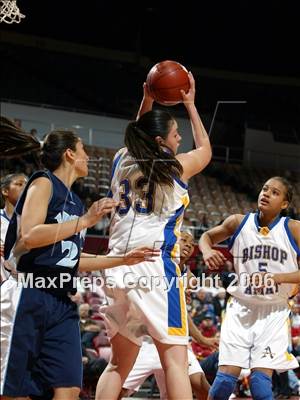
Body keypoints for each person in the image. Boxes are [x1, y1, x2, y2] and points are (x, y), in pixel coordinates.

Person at [0, 117, 158, 400]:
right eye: (83, 149)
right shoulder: (43, 182)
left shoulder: (75, 202)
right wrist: (85, 221)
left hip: (61, 300)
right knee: (15, 391)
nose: (88, 156)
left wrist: (122, 259)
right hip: (27, 292)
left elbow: (72, 259)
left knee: (69, 387)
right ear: (69, 154)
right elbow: (30, 235)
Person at [96, 72, 212, 400]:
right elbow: (205, 148)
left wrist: (148, 99)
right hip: (154, 269)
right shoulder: (176, 167)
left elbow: (139, 133)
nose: (179, 140)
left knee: (118, 364)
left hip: (116, 267)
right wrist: (190, 103)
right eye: (176, 135)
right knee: (175, 360)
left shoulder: (122, 159)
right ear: (161, 141)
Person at [199, 176, 300, 400]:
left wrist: (279, 277)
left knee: (259, 382)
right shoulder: (238, 222)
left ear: (285, 203)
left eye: (275, 192)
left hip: (275, 310)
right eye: (264, 189)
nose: (266, 194)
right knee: (225, 379)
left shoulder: (293, 229)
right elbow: (206, 237)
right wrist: (207, 251)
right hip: (240, 308)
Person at [120, 231, 218, 400]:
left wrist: (201, 339)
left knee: (202, 388)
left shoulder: (190, 277)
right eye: (184, 240)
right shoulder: (154, 265)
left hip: (175, 342)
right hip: (147, 342)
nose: (188, 244)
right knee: (116, 391)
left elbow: (181, 314)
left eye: (192, 243)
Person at [0, 173, 28, 282]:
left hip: (24, 284)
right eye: (20, 184)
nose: (25, 187)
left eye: (27, 184)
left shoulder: (35, 220)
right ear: (5, 191)